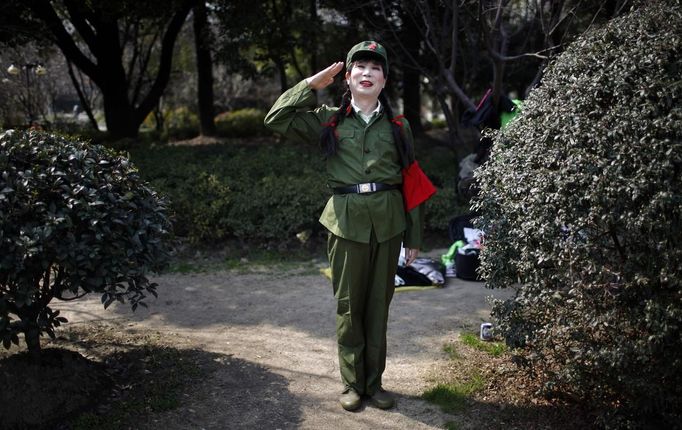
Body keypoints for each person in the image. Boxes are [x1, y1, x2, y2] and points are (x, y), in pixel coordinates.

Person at [264, 41, 425, 412]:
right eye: (360, 67)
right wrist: (311, 84)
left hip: (388, 222)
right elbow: (276, 118)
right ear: (348, 77)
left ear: (384, 80)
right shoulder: (329, 119)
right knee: (350, 307)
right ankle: (352, 384)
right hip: (346, 221)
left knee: (378, 306)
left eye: (375, 68)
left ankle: (375, 383)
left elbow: (411, 178)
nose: (367, 73)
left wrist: (414, 234)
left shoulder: (399, 126)